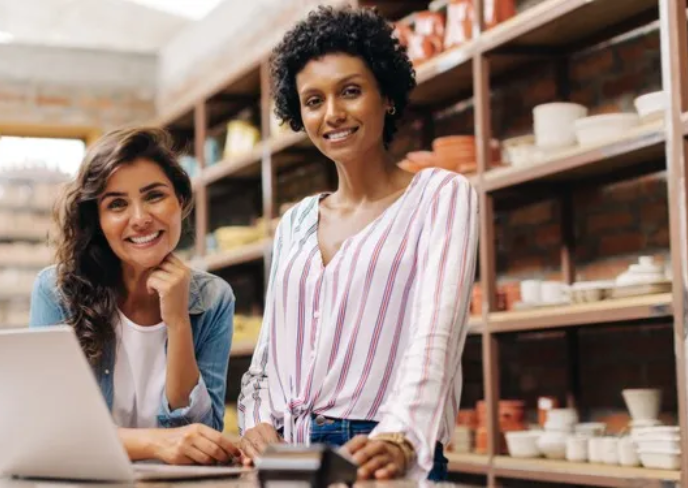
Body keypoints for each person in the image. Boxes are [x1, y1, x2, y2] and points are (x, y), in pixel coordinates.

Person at [237, 6, 479, 482]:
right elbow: (267, 355)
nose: (333, 114)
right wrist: (256, 422)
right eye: (312, 100)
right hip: (290, 457)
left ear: (385, 96)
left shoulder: (440, 196)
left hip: (381, 450)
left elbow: (437, 335)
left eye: (350, 91)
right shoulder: (295, 222)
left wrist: (401, 435)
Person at [29, 127, 240, 466]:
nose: (140, 219)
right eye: (117, 204)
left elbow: (201, 436)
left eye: (154, 196)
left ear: (180, 202)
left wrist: (178, 322)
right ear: (97, 220)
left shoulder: (214, 298)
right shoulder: (56, 292)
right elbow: (50, 429)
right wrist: (156, 444)